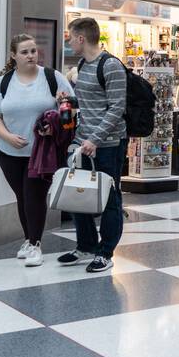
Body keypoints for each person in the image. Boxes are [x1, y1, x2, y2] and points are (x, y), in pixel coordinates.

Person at [0, 34, 74, 267]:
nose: (31, 55)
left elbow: (69, 115)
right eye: (24, 52)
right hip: (8, 152)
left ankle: (35, 244)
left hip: (42, 153)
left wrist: (60, 113)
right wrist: (8, 137)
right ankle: (28, 239)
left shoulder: (52, 77)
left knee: (34, 196)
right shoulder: (3, 83)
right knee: (22, 196)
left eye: (33, 51)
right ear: (14, 55)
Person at [57, 17, 129, 274]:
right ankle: (85, 245)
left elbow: (116, 108)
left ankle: (105, 251)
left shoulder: (110, 66)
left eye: (70, 36)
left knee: (110, 197)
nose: (68, 41)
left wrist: (95, 139)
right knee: (78, 194)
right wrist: (70, 100)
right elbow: (91, 101)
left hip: (108, 143)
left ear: (81, 38)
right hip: (83, 141)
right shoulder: (82, 64)